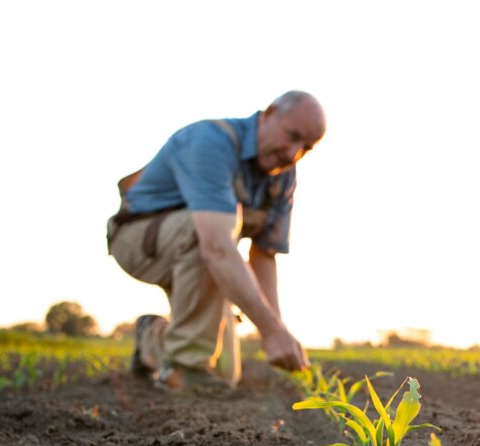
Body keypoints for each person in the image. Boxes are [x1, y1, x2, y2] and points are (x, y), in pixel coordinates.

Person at [107, 91, 324, 390]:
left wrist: (276, 331)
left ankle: (152, 337)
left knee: (223, 373)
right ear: (270, 113)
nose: (293, 153)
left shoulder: (283, 176)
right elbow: (216, 248)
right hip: (138, 239)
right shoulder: (210, 142)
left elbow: (263, 255)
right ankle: (183, 366)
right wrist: (270, 330)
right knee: (209, 233)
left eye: (306, 148)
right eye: (293, 136)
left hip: (203, 254)